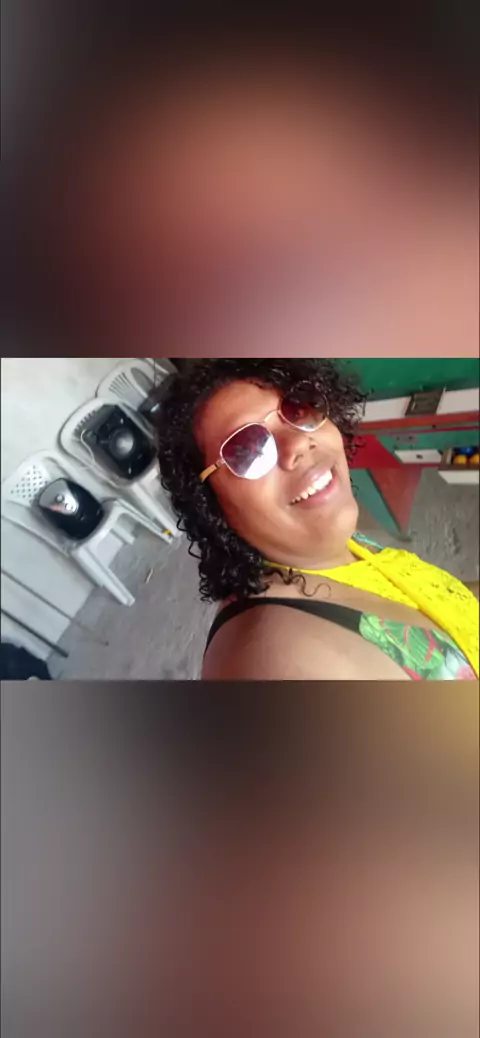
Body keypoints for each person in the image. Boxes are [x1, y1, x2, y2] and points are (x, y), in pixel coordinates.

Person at [156, 358, 479, 680]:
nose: (298, 442)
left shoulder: (331, 547)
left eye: (297, 409)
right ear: (210, 505)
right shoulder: (276, 657)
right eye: (246, 450)